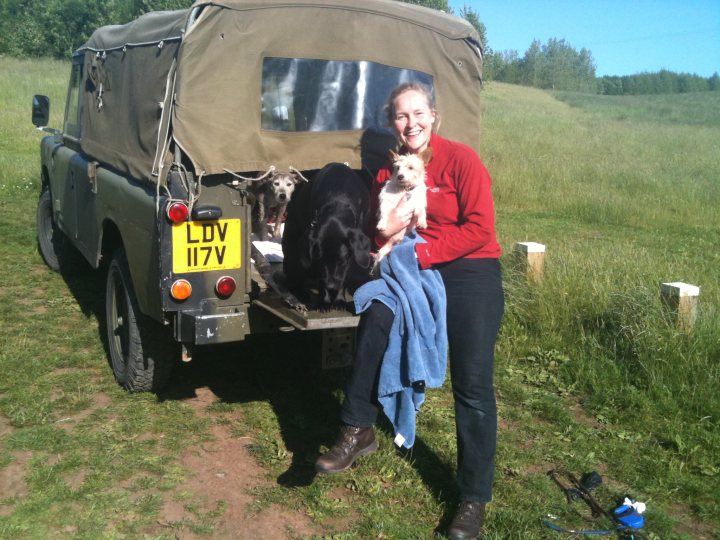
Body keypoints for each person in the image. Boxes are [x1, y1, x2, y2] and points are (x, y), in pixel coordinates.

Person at [315, 82, 504, 540]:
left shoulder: (461, 160)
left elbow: (480, 227)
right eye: (401, 116)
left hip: (469, 269)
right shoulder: (389, 172)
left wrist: (422, 254)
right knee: (377, 313)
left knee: (473, 383)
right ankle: (357, 428)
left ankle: (473, 496)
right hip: (415, 266)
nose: (411, 123)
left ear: (433, 115)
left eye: (418, 113)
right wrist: (388, 238)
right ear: (392, 123)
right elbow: (381, 235)